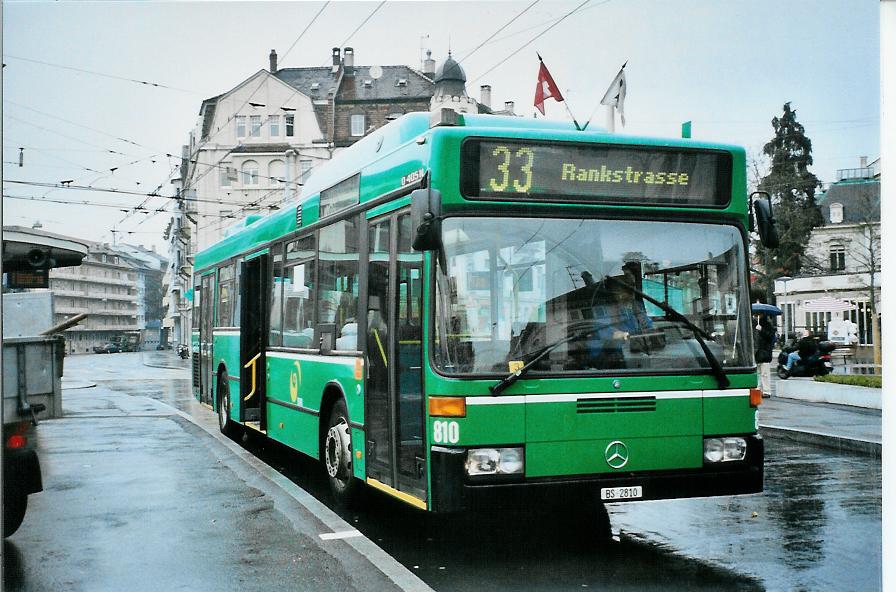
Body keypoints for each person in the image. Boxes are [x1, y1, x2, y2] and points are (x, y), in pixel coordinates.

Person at [753, 312, 775, 397]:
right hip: (758, 351)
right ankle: (757, 389)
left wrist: (761, 330)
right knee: (758, 372)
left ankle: (766, 391)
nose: (756, 317)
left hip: (764, 351)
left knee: (764, 373)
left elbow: (770, 337)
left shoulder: (767, 325)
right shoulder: (754, 324)